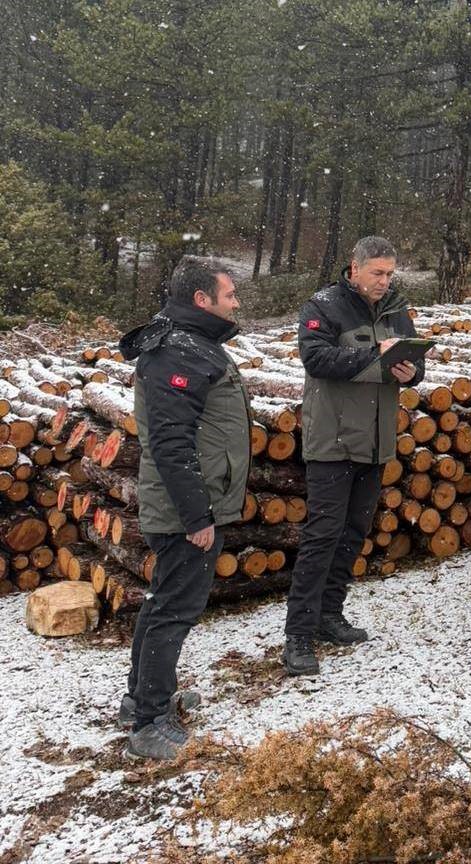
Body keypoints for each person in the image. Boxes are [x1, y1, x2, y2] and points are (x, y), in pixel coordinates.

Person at [117, 260, 250, 759]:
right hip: (185, 509)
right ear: (202, 299)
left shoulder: (191, 344)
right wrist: (197, 516)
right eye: (229, 294)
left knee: (162, 603)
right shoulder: (178, 350)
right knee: (174, 609)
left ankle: (141, 700)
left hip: (189, 502)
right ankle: (149, 725)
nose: (235, 302)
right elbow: (172, 444)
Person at [283, 236, 425, 676]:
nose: (384, 281)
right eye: (377, 273)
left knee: (352, 532)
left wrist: (412, 370)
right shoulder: (324, 306)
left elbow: (416, 365)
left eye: (389, 274)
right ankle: (298, 636)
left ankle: (329, 616)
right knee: (321, 536)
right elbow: (316, 359)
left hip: (377, 439)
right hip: (334, 438)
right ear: (355, 268)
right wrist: (372, 355)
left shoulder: (396, 308)